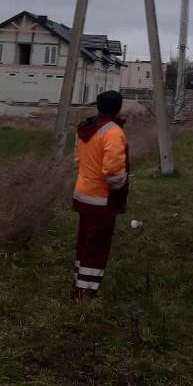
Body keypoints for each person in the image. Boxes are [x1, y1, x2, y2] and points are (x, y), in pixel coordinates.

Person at [71, 89, 129, 300]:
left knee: (85, 240)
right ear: (119, 107)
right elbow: (113, 172)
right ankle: (85, 292)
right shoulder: (113, 132)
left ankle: (79, 282)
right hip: (101, 198)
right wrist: (121, 186)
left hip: (82, 194)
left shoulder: (86, 127)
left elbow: (78, 159)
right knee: (98, 245)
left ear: (98, 105)